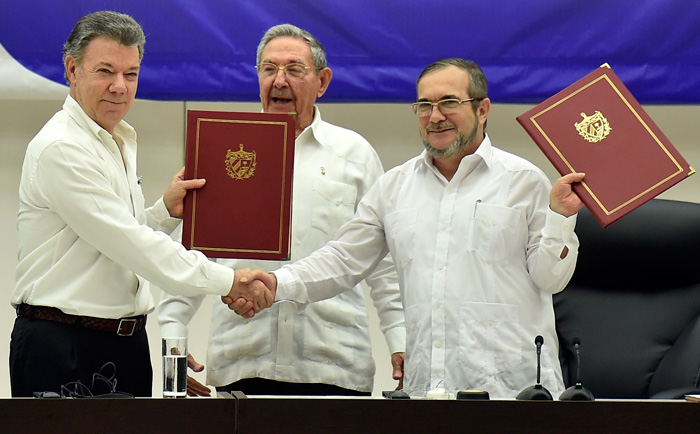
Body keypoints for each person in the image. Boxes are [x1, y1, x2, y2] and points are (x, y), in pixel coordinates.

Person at [232, 58, 586, 399]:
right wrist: (277, 284)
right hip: (427, 394)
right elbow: (341, 260)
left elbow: (550, 279)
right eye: (423, 105)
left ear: (482, 109)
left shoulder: (524, 181)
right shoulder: (394, 187)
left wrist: (560, 218)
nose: (435, 117)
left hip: (513, 394)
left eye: (449, 102)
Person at [10, 10, 265, 398]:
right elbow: (130, 243)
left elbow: (111, 242)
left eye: (130, 74)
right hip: (63, 346)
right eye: (105, 71)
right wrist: (229, 282)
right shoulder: (62, 147)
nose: (119, 86)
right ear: (72, 69)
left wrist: (163, 212)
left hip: (123, 343)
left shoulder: (118, 137)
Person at [158, 24, 405, 397]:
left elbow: (382, 262)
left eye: (294, 69)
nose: (279, 81)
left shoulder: (354, 155)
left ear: (322, 81)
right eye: (269, 68)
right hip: (240, 361)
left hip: (334, 365)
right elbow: (189, 254)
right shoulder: (222, 147)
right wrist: (172, 342)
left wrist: (399, 339)